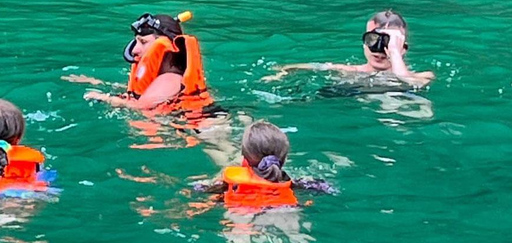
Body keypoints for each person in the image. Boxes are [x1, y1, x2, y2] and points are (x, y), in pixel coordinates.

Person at [64, 11, 214, 115]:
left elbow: (140, 107)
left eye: (143, 42)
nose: (135, 50)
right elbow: (144, 94)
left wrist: (105, 98)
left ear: (166, 45)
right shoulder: (162, 78)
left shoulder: (169, 79)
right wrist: (97, 82)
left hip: (206, 129)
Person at [264, 10, 435, 88]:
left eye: (387, 43)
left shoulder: (422, 77)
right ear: (364, 44)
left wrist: (394, 53)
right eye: (372, 39)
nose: (378, 49)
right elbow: (298, 67)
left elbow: (407, 83)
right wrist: (281, 73)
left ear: (402, 48)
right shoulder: (348, 71)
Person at [202, 120, 334, 210]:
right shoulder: (296, 184)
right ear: (285, 158)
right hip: (286, 214)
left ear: (245, 160)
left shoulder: (228, 185)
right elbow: (325, 188)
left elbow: (200, 190)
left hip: (242, 221)